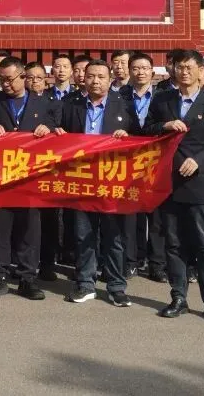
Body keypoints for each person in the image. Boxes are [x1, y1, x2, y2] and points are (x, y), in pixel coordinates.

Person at [145, 50, 204, 325]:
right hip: (168, 182)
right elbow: (146, 129)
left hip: (199, 183)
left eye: (190, 67)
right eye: (180, 67)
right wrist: (165, 125)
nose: (184, 72)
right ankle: (178, 297)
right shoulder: (162, 100)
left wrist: (199, 160)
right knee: (173, 243)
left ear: (202, 72)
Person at [58, 60, 140, 307]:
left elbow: (140, 137)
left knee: (114, 236)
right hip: (82, 179)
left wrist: (128, 137)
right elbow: (57, 132)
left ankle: (116, 286)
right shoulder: (70, 105)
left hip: (112, 181)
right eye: (91, 76)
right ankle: (85, 283)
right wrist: (57, 133)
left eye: (101, 77)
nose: (95, 81)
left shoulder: (124, 105)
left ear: (110, 79)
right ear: (83, 78)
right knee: (84, 234)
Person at [0, 56, 58, 300]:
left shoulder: (44, 103)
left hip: (30, 178)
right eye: (1, 79)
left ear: (23, 76)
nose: (5, 84)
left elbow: (58, 133)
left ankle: (27, 278)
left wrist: (48, 130)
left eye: (10, 79)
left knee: (29, 230)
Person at [120, 52, 158, 279]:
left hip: (156, 161)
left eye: (144, 68)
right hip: (129, 162)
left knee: (156, 213)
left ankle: (157, 263)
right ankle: (131, 260)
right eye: (135, 68)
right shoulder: (119, 96)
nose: (140, 72)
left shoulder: (163, 96)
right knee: (130, 214)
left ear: (152, 71)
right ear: (129, 71)